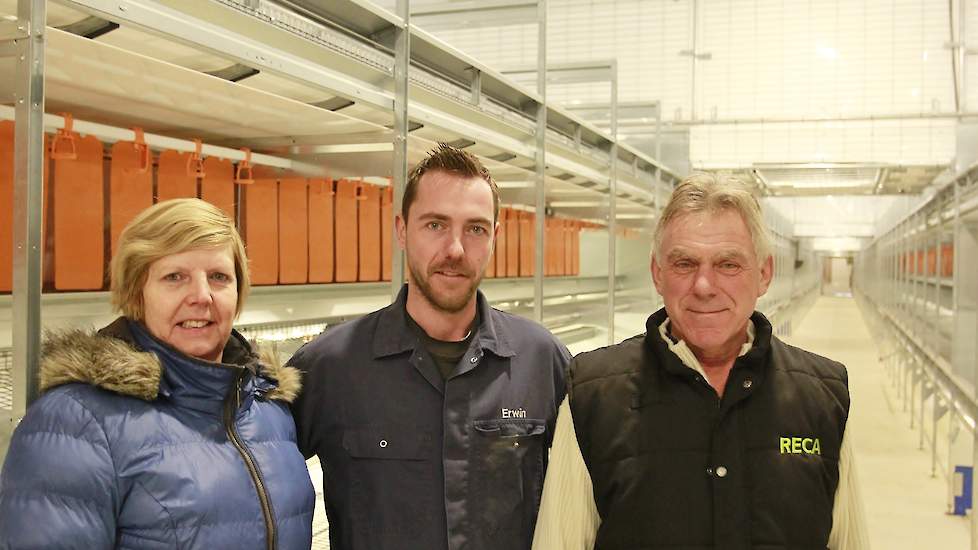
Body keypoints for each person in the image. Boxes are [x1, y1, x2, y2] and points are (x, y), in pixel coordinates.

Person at [532, 174, 869, 550]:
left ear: (764, 274)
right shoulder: (592, 396)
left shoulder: (824, 397)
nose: (704, 286)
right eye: (684, 263)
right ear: (658, 274)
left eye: (728, 264)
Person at [290, 144, 569, 550]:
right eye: (435, 225)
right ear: (402, 231)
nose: (455, 250)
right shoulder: (331, 367)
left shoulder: (541, 361)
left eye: (475, 228)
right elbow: (256, 490)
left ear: (495, 236)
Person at [0, 198, 315, 549]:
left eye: (219, 277)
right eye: (174, 277)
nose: (202, 296)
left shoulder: (267, 408)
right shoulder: (78, 422)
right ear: (137, 292)